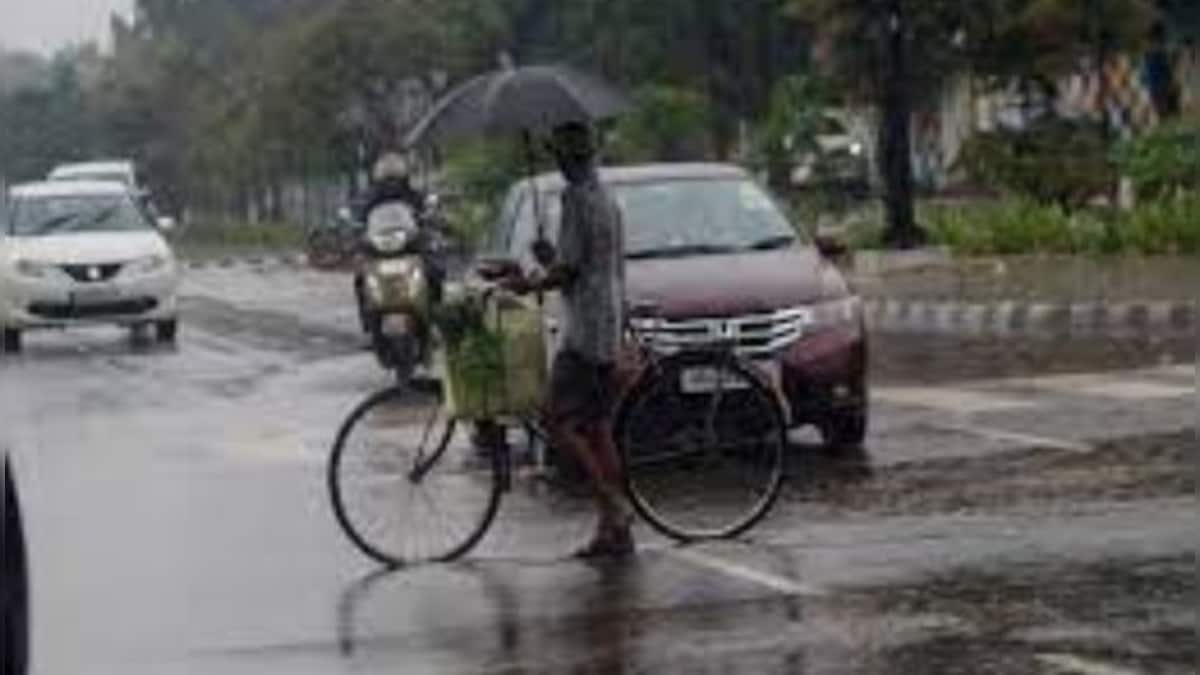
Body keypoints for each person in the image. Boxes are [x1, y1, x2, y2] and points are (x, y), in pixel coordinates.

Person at [501, 122, 633, 558]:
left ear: (565, 158)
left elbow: (571, 271)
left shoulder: (575, 199)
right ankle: (613, 533)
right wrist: (549, 257)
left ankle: (614, 509)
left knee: (555, 419)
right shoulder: (607, 197)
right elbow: (592, 261)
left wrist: (530, 282)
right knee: (596, 427)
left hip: (584, 329)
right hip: (608, 320)